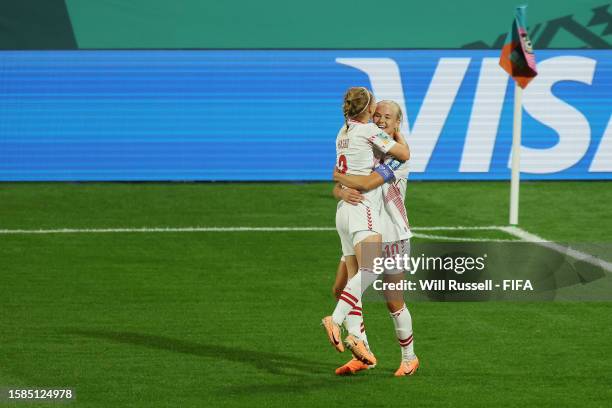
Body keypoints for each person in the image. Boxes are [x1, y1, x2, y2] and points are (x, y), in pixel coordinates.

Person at [322, 88, 409, 367]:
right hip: (363, 221)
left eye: (387, 117)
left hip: (391, 233)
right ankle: (362, 351)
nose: (381, 119)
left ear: (397, 123)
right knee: (344, 287)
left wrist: (340, 179)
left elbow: (369, 182)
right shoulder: (370, 139)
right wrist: (341, 190)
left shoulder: (397, 157)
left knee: (393, 300)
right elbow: (349, 182)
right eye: (377, 113)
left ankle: (409, 357)